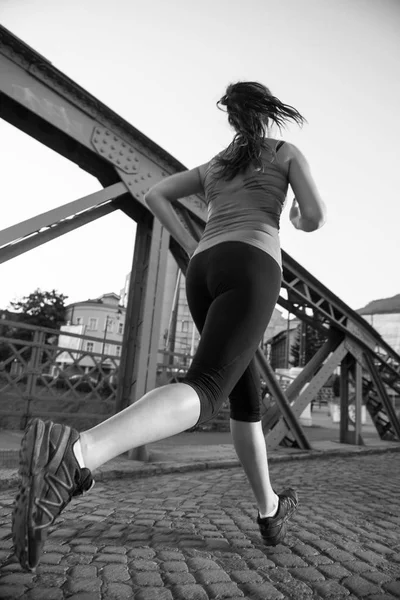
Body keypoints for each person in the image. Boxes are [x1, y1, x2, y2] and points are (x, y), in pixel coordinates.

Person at [12, 81, 327, 572]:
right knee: (204, 388)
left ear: (232, 118)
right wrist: (293, 216)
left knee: (243, 399)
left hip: (203, 268)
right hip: (253, 263)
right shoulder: (285, 151)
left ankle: (268, 508)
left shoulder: (215, 166)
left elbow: (157, 192)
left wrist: (189, 236)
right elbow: (316, 216)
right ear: (267, 113)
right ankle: (77, 452)